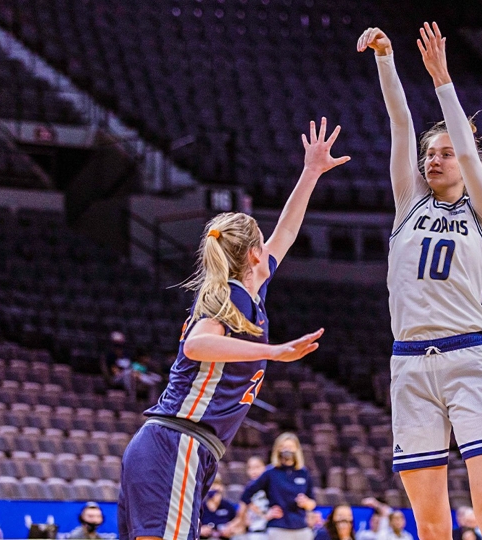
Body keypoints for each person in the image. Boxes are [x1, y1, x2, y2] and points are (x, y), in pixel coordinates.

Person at [117, 117, 349, 540]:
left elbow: (288, 230)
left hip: (181, 447)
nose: (272, 246)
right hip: (177, 442)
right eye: (264, 242)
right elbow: (197, 345)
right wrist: (273, 351)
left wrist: (311, 172)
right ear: (255, 253)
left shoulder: (250, 289)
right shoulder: (230, 296)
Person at [358, 21, 482, 540]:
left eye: (445, 152)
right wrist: (386, 59)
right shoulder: (408, 203)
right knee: (430, 522)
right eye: (432, 153)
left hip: (467, 360)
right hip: (408, 364)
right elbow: (400, 123)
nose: (434, 157)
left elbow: (469, 153)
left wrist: (442, 79)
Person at [239, 433, 318, 540]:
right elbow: (246, 495)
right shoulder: (270, 472)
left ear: (296, 449)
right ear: (277, 449)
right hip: (278, 528)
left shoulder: (303, 472)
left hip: (301, 528)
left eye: (290, 447)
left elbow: (312, 502)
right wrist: (265, 514)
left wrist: (306, 503)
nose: (287, 450)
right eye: (283, 447)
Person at [241, 457, 270, 540]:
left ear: (265, 468)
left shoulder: (272, 486)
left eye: (257, 467)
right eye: (250, 468)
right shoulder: (248, 489)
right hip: (254, 531)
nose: (254, 471)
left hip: (270, 530)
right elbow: (242, 511)